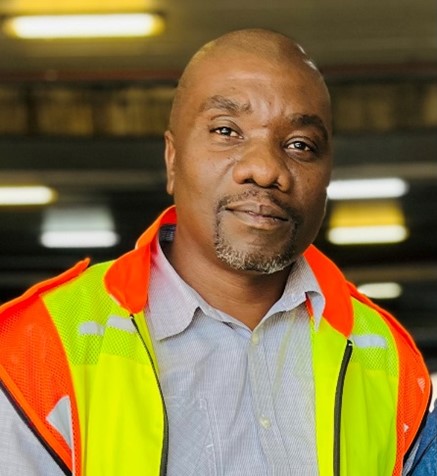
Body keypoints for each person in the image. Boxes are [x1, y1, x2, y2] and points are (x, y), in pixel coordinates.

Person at [0, 28, 435, 476]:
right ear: (172, 159)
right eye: (226, 131)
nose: (265, 169)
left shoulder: (386, 355)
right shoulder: (36, 347)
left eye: (300, 145)